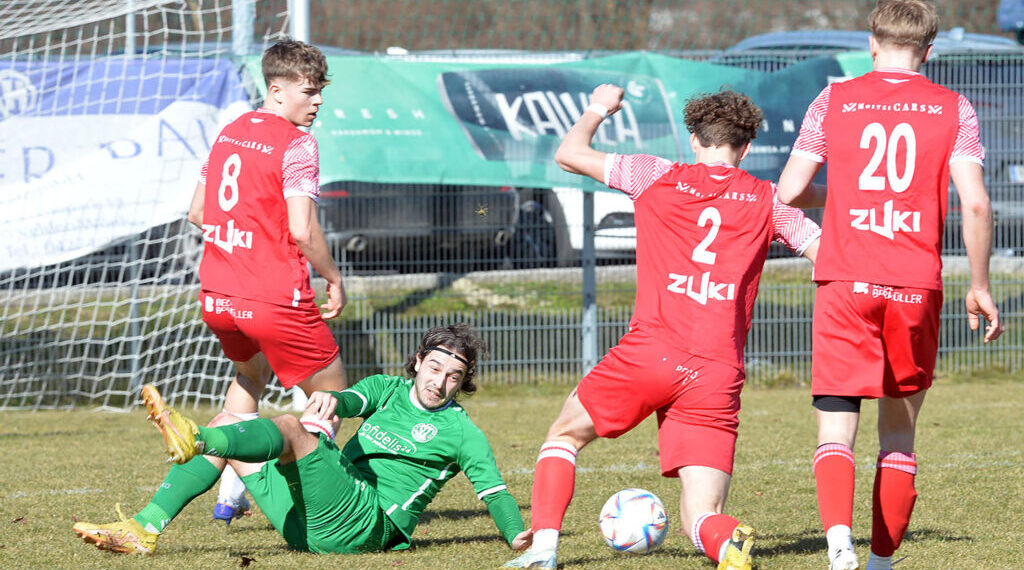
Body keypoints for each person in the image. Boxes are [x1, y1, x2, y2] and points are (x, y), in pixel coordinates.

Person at [505, 87, 822, 570]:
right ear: (748, 146)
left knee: (564, 436)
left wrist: (599, 108)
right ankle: (724, 541)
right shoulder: (768, 200)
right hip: (718, 370)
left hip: (652, 351)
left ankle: (544, 551)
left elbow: (568, 154)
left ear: (693, 139)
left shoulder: (655, 174)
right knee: (702, 512)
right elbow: (826, 253)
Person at [775, 2, 1005, 569]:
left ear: (871, 44)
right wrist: (980, 284)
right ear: (929, 50)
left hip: (844, 278)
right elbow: (975, 201)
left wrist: (848, 195)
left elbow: (788, 192)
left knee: (836, 423)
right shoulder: (956, 107)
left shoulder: (833, 99)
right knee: (898, 431)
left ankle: (837, 548)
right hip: (914, 283)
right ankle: (880, 561)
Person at [73, 323, 531, 556]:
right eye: (434, 368)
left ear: (464, 381)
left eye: (454, 376)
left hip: (367, 525)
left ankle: (196, 438)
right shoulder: (386, 389)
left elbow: (494, 491)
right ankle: (144, 529)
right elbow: (349, 399)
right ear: (418, 362)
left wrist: (516, 536)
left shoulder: (463, 433)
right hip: (307, 527)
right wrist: (330, 403)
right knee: (231, 418)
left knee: (289, 429)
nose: (440, 382)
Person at [185, 39, 349, 522]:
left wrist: (242, 237)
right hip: (273, 296)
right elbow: (302, 229)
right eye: (309, 90)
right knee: (330, 395)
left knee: (249, 379)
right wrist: (333, 276)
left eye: (321, 91)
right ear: (276, 90)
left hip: (218, 293)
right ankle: (312, 505)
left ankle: (228, 498)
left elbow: (197, 212)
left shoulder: (230, 131)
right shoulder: (297, 144)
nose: (317, 100)